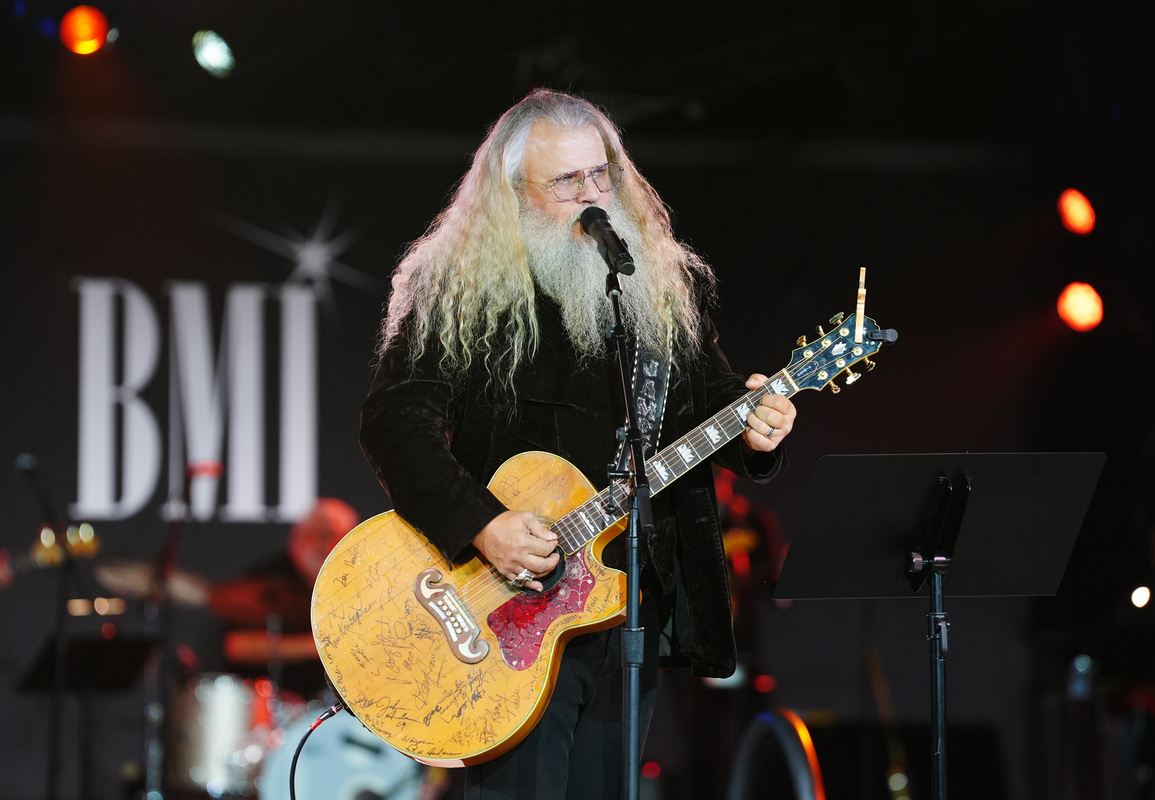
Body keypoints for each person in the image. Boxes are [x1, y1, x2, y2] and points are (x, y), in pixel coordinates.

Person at [358, 88, 797, 800]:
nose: (592, 196)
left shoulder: (656, 280)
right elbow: (392, 423)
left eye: (601, 175)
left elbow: (707, 407)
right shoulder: (458, 287)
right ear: (513, 195)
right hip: (509, 606)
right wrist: (481, 523)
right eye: (566, 183)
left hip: (628, 604)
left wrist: (755, 429)